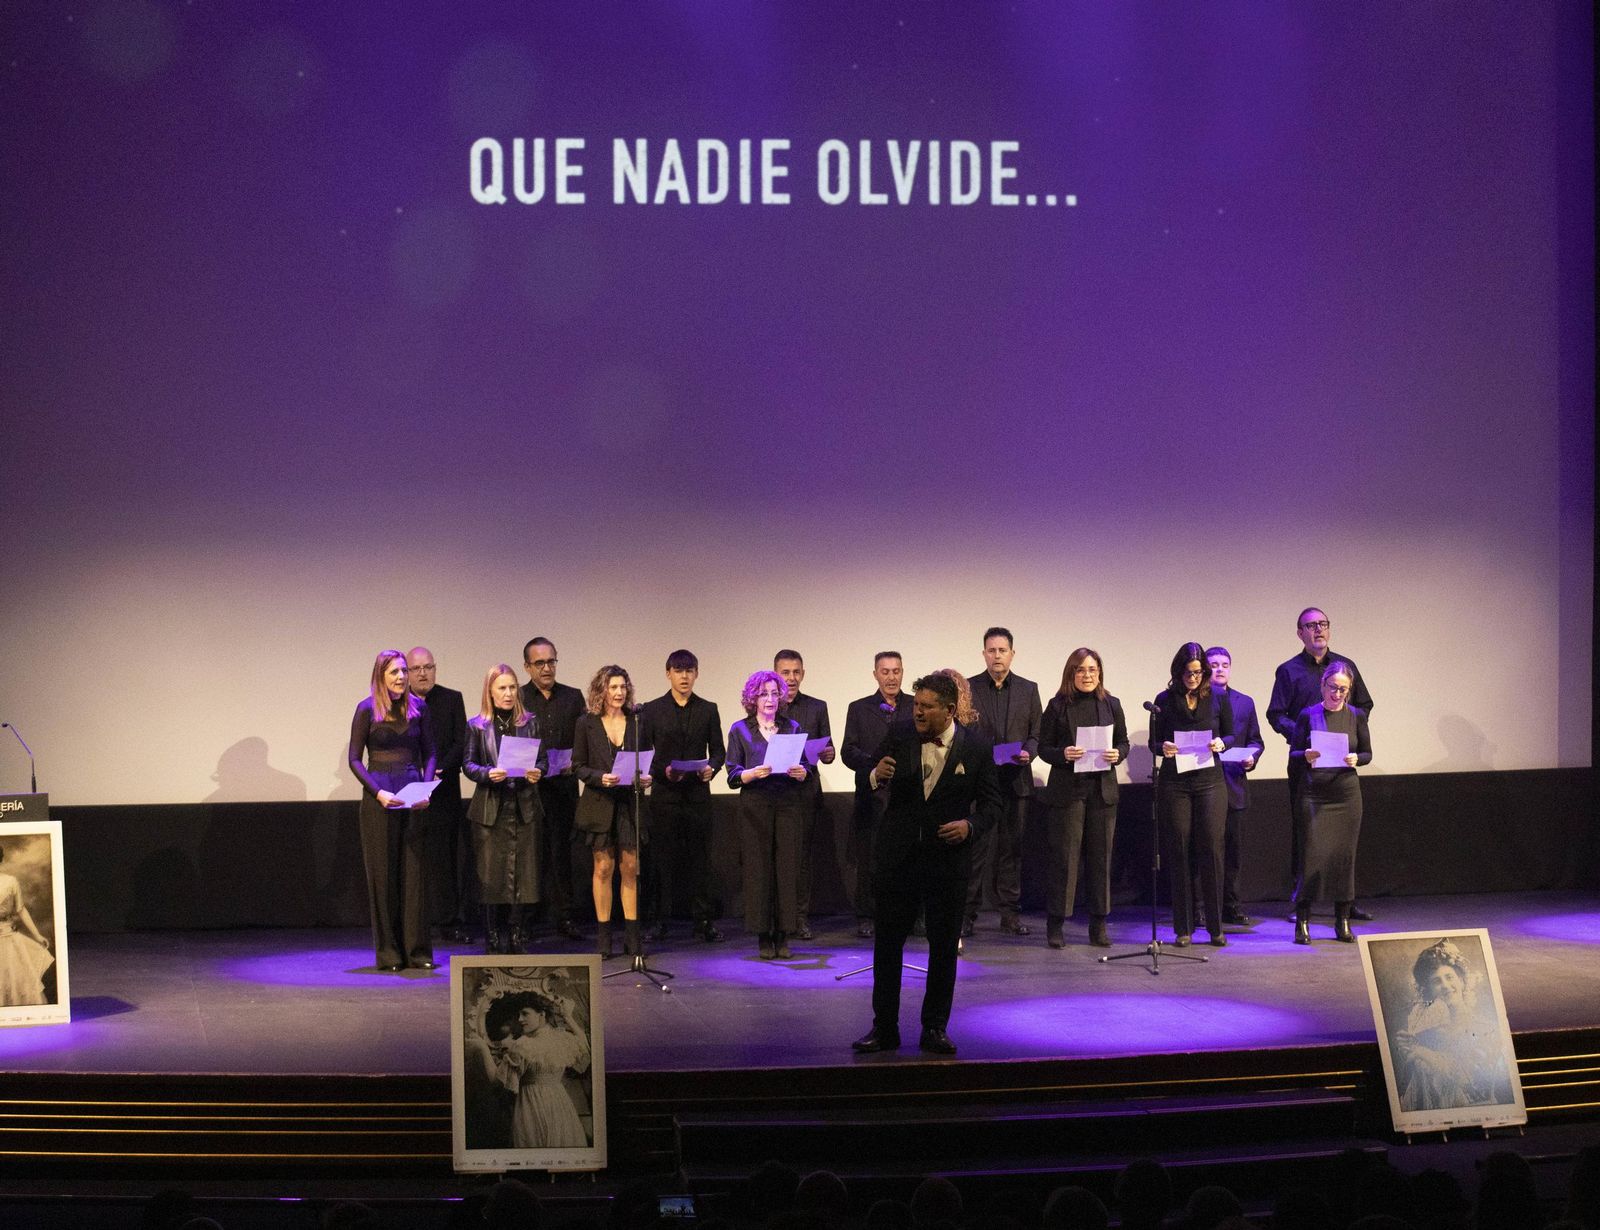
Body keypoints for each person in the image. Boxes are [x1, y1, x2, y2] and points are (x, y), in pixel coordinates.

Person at [852, 673, 1002, 1056]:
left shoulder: (978, 748)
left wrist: (969, 826)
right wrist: (874, 776)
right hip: (898, 859)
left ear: (949, 710)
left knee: (942, 948)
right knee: (887, 946)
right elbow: (868, 773)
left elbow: (991, 806)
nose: (917, 711)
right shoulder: (900, 733)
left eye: (926, 706)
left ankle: (934, 1028)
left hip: (947, 864)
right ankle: (884, 1028)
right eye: (916, 704)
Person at [1267, 607, 1376, 918]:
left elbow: (1365, 704)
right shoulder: (1288, 671)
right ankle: (1301, 902)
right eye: (1310, 626)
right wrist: (1306, 736)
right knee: (1306, 835)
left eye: (1323, 624)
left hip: (1340, 769)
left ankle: (1347, 903)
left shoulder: (1345, 667)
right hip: (1307, 764)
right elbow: (1276, 714)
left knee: (1343, 842)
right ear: (1300, 632)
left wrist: (1350, 727)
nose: (1318, 630)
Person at [347, 649, 436, 971]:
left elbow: (431, 753)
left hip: (413, 798)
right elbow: (355, 759)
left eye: (403, 671)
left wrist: (426, 789)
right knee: (384, 877)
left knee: (414, 878)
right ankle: (389, 953)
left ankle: (418, 952)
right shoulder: (366, 709)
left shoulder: (419, 708)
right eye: (394, 672)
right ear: (381, 676)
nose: (401, 677)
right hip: (380, 801)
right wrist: (378, 792)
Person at [1036, 648, 1128, 948]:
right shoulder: (1057, 706)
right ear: (1071, 674)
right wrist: (1062, 754)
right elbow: (1043, 748)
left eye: (1092, 669)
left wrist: (1119, 754)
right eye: (1080, 670)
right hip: (1068, 793)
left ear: (1099, 672)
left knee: (1101, 861)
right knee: (1065, 860)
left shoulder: (1111, 704)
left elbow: (1123, 742)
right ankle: (1056, 924)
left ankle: (1098, 925)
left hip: (1102, 792)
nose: (1087, 675)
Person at [1148, 642, 1234, 948]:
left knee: (1211, 849)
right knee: (1179, 851)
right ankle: (1183, 928)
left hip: (1210, 780)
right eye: (1187, 672)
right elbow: (1153, 743)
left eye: (1198, 672)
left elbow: (1231, 733)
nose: (1193, 677)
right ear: (1178, 671)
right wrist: (1164, 748)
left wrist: (1222, 744)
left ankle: (1215, 927)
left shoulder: (1218, 698)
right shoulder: (1164, 700)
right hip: (1176, 783)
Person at [638, 650, 727, 943]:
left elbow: (718, 751)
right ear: (668, 674)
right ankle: (659, 921)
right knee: (662, 861)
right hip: (665, 796)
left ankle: (703, 920)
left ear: (697, 674)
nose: (684, 676)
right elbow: (643, 754)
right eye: (678, 671)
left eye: (689, 671)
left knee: (700, 861)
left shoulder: (708, 708)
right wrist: (663, 771)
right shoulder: (651, 710)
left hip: (698, 795)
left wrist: (711, 768)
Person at [726, 670, 810, 959]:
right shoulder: (740, 729)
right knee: (759, 869)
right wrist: (752, 773)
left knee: (786, 868)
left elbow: (804, 766)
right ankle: (763, 935)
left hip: (787, 802)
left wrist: (801, 772)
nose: (770, 699)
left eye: (775, 693)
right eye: (764, 694)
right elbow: (732, 774)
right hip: (755, 804)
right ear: (753, 698)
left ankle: (784, 934)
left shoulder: (792, 726)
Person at [463, 664, 546, 954]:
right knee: (491, 875)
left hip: (522, 806)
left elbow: (543, 761)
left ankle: (516, 934)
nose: (509, 693)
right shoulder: (477, 725)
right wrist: (488, 773)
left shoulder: (529, 722)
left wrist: (537, 772)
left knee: (522, 875)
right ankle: (492, 935)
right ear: (490, 691)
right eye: (502, 688)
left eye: (512, 687)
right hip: (490, 807)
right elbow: (468, 764)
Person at [966, 627, 1042, 938]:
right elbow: (962, 732)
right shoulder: (969, 688)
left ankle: (1009, 914)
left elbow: (1037, 734)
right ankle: (967, 914)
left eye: (1002, 650)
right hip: (980, 784)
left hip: (1016, 781)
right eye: (991, 650)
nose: (997, 656)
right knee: (975, 850)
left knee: (1012, 850)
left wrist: (1029, 753)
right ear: (984, 653)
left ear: (1012, 653)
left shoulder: (1028, 688)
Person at [1289, 660, 1372, 944]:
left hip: (1346, 795)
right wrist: (1306, 755)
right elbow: (1294, 753)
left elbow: (1367, 753)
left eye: (1343, 689)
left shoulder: (1356, 715)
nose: (1337, 694)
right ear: (1322, 685)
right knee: (1311, 856)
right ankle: (1302, 921)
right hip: (1314, 794)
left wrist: (1356, 759)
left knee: (1344, 858)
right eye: (1333, 687)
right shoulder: (1308, 715)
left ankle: (1342, 921)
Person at [572, 665, 653, 958]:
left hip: (630, 803)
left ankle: (632, 936)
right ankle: (604, 937)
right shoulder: (587, 723)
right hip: (599, 803)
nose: (619, 693)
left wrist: (646, 776)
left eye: (622, 687)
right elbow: (578, 765)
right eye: (613, 687)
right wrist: (599, 777)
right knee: (603, 868)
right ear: (602, 690)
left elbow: (646, 759)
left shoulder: (636, 722)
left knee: (630, 868)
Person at [1392, 939, 1514, 1112]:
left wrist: (1419, 1051)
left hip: (1477, 1112)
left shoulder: (1485, 1026)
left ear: (1462, 981)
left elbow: (1468, 1080)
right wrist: (1406, 1050)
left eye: (1449, 977)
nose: (1445, 986)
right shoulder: (1425, 1031)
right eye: (1436, 981)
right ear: (1429, 990)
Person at [841, 652, 914, 938]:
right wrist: (875, 766)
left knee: (908, 859)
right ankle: (866, 916)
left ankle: (908, 915)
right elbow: (848, 751)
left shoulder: (914, 706)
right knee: (870, 859)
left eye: (896, 671)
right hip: (872, 795)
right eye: (885, 672)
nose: (891, 677)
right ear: (875, 675)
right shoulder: (859, 709)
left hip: (907, 794)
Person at [520, 638, 587, 942]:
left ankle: (566, 917)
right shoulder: (518, 697)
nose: (547, 668)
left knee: (562, 854)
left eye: (551, 662)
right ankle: (527, 919)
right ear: (527, 667)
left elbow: (585, 738)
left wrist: (577, 761)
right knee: (530, 855)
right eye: (540, 663)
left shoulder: (572, 698)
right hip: (528, 790)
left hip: (563, 787)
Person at [407, 646, 470, 943]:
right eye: (416, 668)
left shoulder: (451, 699)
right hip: (408, 791)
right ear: (406, 673)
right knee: (415, 857)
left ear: (435, 668)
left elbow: (462, 742)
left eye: (428, 667)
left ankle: (449, 921)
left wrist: (438, 769)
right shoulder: (397, 701)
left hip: (444, 791)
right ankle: (416, 922)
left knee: (446, 859)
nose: (423, 673)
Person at [1199, 646, 1264, 928]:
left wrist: (1253, 757)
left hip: (1234, 783)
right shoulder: (1197, 700)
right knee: (1204, 848)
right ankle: (1201, 907)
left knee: (1233, 851)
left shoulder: (1244, 702)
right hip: (1205, 784)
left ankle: (1230, 906)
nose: (1220, 669)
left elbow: (1256, 740)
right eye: (1214, 664)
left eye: (1225, 664)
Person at [776, 650, 834, 942]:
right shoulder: (767, 707)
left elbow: (830, 751)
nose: (792, 678)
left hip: (806, 792)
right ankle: (779, 919)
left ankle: (799, 919)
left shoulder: (816, 707)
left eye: (796, 672)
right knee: (779, 858)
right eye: (786, 672)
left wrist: (828, 753)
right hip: (775, 793)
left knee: (802, 860)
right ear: (776, 674)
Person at [491, 992, 589, 1149]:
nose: (520, 1019)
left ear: (541, 1014)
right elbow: (584, 1047)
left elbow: (499, 1083)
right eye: (518, 1015)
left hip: (532, 1104)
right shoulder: (562, 1039)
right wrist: (568, 1017)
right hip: (558, 1103)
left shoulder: (523, 1045)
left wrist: (484, 1051)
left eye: (525, 1014)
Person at [0, 843, 53, 1006]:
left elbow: (20, 909)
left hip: (7, 938)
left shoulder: (10, 881)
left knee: (15, 981)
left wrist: (37, 935)